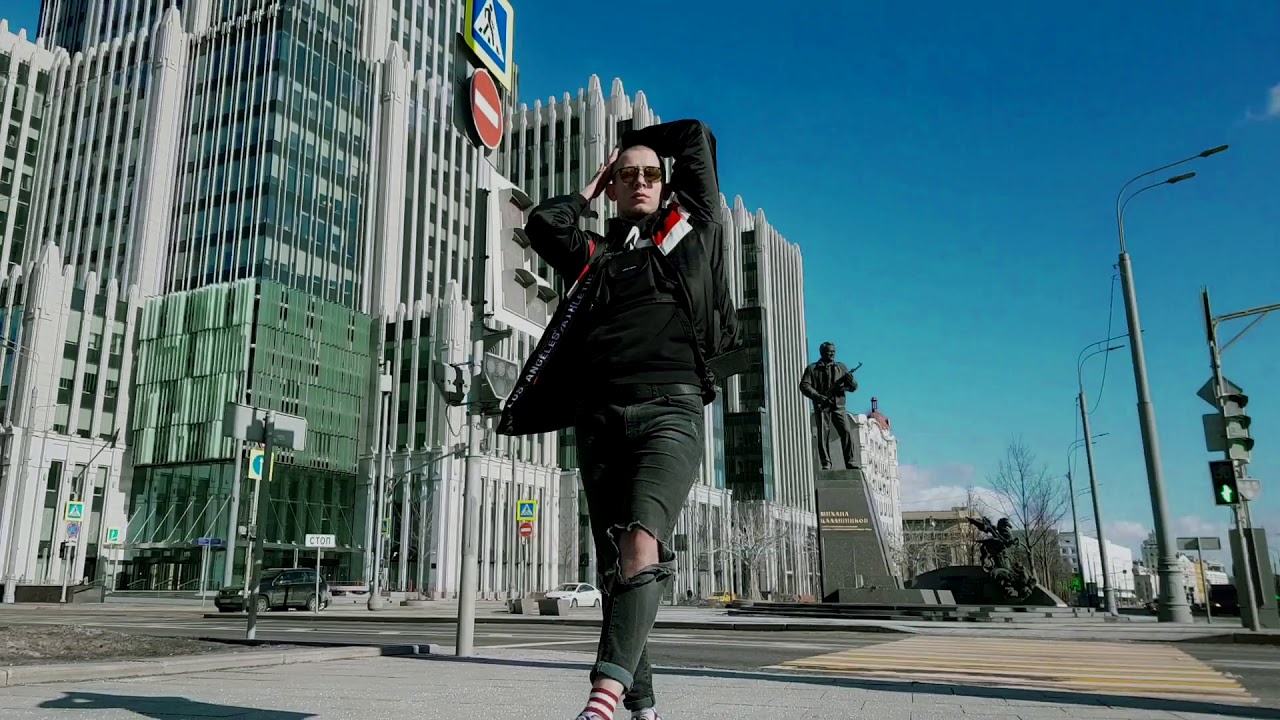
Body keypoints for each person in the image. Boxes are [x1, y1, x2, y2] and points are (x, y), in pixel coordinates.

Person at [497, 119, 740, 720]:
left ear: (665, 184)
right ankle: (642, 706)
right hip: (600, 417)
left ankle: (601, 699)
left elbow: (695, 136)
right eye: (627, 175)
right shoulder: (597, 257)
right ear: (612, 186)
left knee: (640, 539)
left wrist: (635, 138)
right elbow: (543, 223)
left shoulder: (690, 232)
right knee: (616, 569)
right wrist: (593, 182)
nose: (640, 181)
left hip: (671, 408)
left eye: (650, 173)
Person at [799, 341, 858, 469]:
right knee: (823, 434)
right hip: (822, 406)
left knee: (846, 431)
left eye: (833, 352)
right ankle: (826, 462)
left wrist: (851, 381)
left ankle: (850, 461)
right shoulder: (812, 369)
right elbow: (804, 385)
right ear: (822, 353)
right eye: (829, 352)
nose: (832, 354)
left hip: (838, 406)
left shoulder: (841, 367)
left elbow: (853, 387)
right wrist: (817, 396)